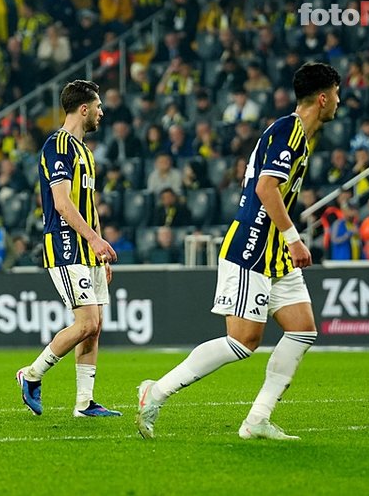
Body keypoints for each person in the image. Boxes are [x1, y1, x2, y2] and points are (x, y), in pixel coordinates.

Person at [136, 62, 341, 440]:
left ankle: (257, 419)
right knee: (242, 342)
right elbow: (266, 188)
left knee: (302, 331)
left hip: (274, 253)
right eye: (337, 94)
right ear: (323, 98)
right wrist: (294, 238)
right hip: (253, 247)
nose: (339, 102)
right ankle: (157, 391)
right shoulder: (290, 131)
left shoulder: (297, 134)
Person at [16, 80, 121, 418]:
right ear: (83, 108)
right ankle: (31, 374)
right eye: (98, 106)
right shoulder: (57, 146)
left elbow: (89, 204)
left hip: (88, 248)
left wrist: (99, 249)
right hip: (65, 243)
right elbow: (62, 203)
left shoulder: (85, 152)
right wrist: (93, 240)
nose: (102, 112)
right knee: (86, 323)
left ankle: (84, 402)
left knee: (96, 326)